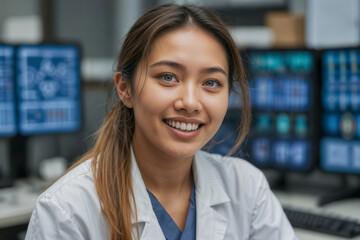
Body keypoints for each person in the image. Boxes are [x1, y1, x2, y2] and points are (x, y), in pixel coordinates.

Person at [25, 3, 297, 240]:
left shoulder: (247, 188)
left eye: (211, 82)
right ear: (125, 88)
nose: (190, 102)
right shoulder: (67, 210)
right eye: (168, 77)